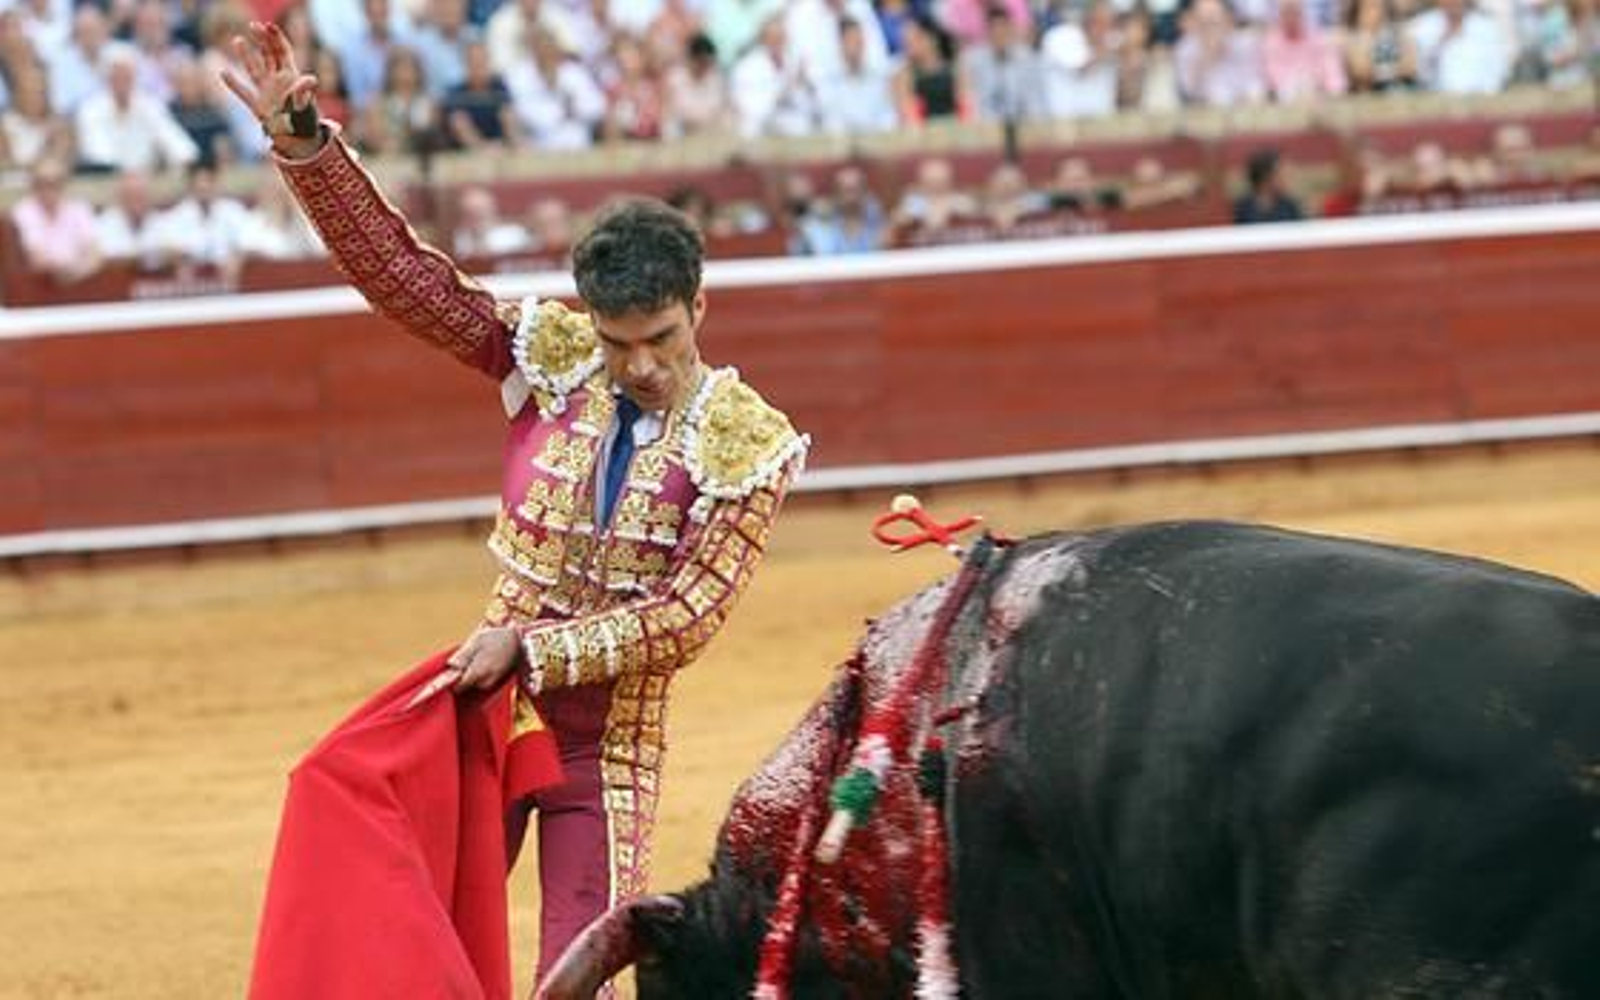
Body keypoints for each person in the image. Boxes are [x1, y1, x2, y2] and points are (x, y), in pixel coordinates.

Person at [221, 19, 806, 997]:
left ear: (699, 308)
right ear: (590, 320)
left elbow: (685, 617)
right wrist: (307, 147)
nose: (643, 366)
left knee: (569, 976)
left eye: (661, 338)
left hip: (604, 742)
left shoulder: (748, 438)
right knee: (402, 924)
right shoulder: (553, 356)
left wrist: (531, 648)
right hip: (484, 713)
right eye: (620, 343)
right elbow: (409, 282)